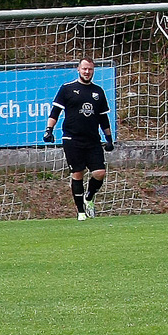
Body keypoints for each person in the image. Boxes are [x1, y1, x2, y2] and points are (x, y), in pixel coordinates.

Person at [43, 56, 114, 220]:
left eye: (90, 69)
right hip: (72, 139)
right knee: (78, 173)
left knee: (100, 173)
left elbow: (103, 118)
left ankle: (88, 197)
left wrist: (109, 138)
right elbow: (55, 112)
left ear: (93, 71)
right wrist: (49, 130)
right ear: (78, 69)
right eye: (84, 69)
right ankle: (81, 211)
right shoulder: (67, 89)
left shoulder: (98, 92)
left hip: (93, 140)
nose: (87, 72)